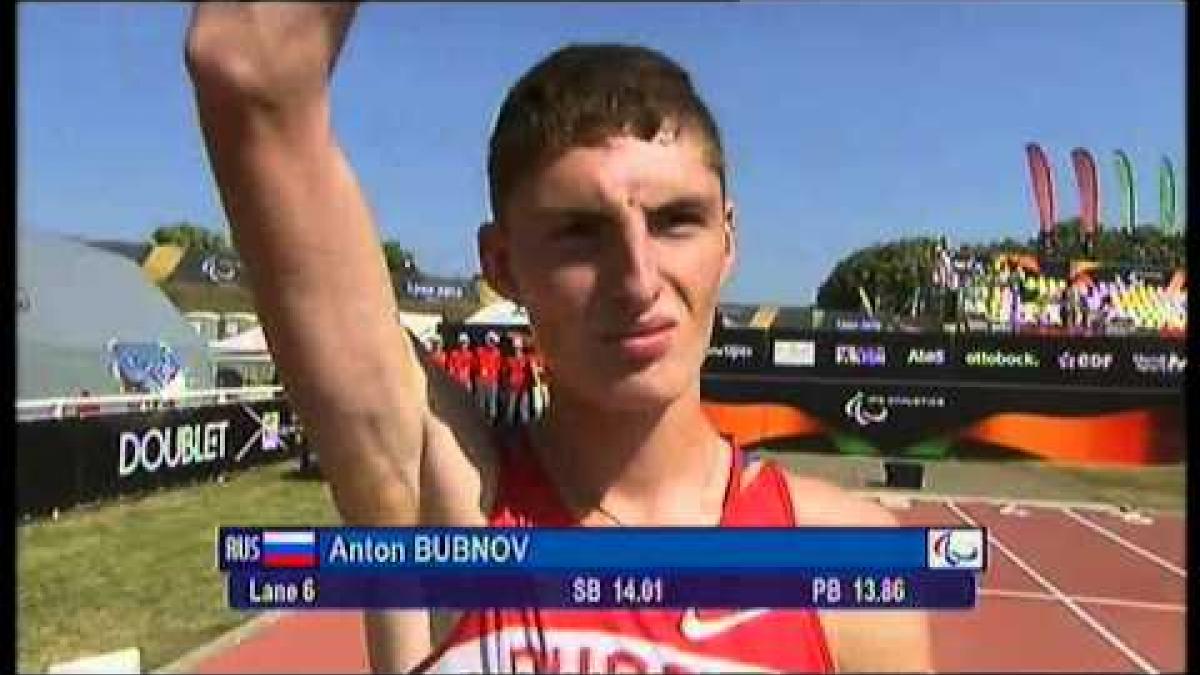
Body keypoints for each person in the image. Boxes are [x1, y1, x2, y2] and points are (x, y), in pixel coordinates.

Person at [185, 4, 931, 672]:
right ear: (501, 264)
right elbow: (249, 64)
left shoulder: (848, 563)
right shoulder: (443, 502)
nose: (638, 279)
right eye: (581, 233)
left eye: (677, 220)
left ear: (728, 240)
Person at [501, 334, 531, 427]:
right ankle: (509, 425)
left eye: (518, 348)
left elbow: (531, 371)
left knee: (524, 407)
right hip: (513, 385)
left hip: (524, 385)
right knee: (511, 407)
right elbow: (505, 373)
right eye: (515, 348)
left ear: (521, 347)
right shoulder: (509, 359)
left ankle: (525, 427)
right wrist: (505, 384)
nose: (517, 350)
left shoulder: (527, 359)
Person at [473, 330, 503, 424]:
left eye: (494, 341)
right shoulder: (479, 350)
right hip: (481, 379)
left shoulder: (497, 352)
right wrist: (479, 373)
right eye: (491, 340)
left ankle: (491, 420)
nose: (492, 343)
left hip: (492, 379)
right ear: (487, 340)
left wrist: (492, 373)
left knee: (492, 401)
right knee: (481, 401)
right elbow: (474, 364)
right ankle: (481, 420)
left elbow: (498, 366)